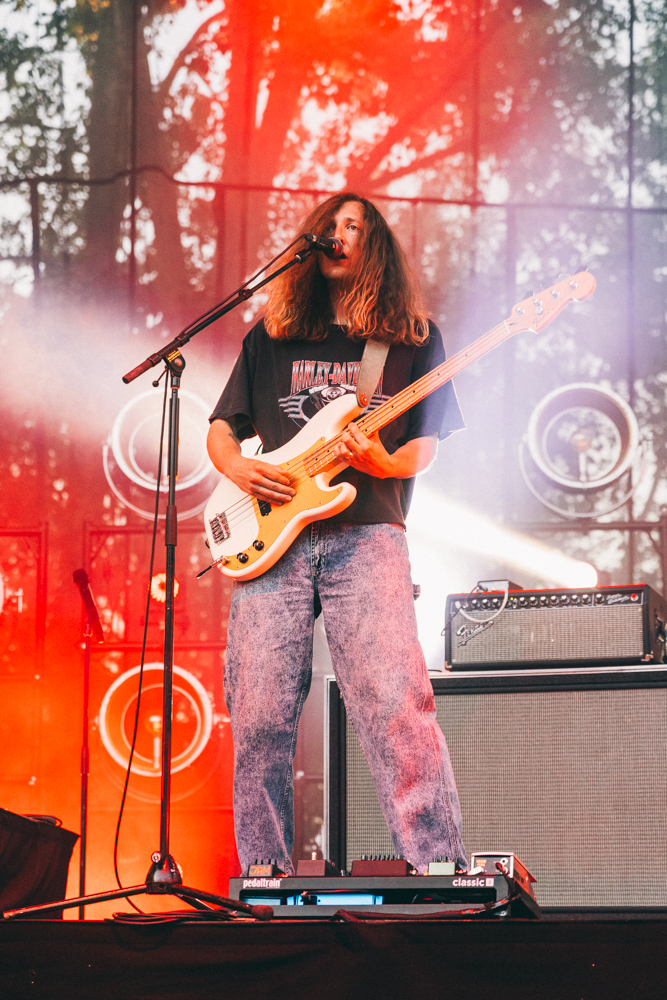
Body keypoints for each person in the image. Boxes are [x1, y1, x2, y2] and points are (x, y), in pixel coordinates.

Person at [207, 192, 466, 875]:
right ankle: (263, 876)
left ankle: (438, 869)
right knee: (260, 716)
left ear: (373, 245)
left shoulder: (411, 338)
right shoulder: (272, 335)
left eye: (353, 225)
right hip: (274, 541)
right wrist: (237, 467)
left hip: (366, 535)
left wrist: (381, 460)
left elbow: (426, 445)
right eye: (329, 224)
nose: (337, 233)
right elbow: (222, 426)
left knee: (395, 705)